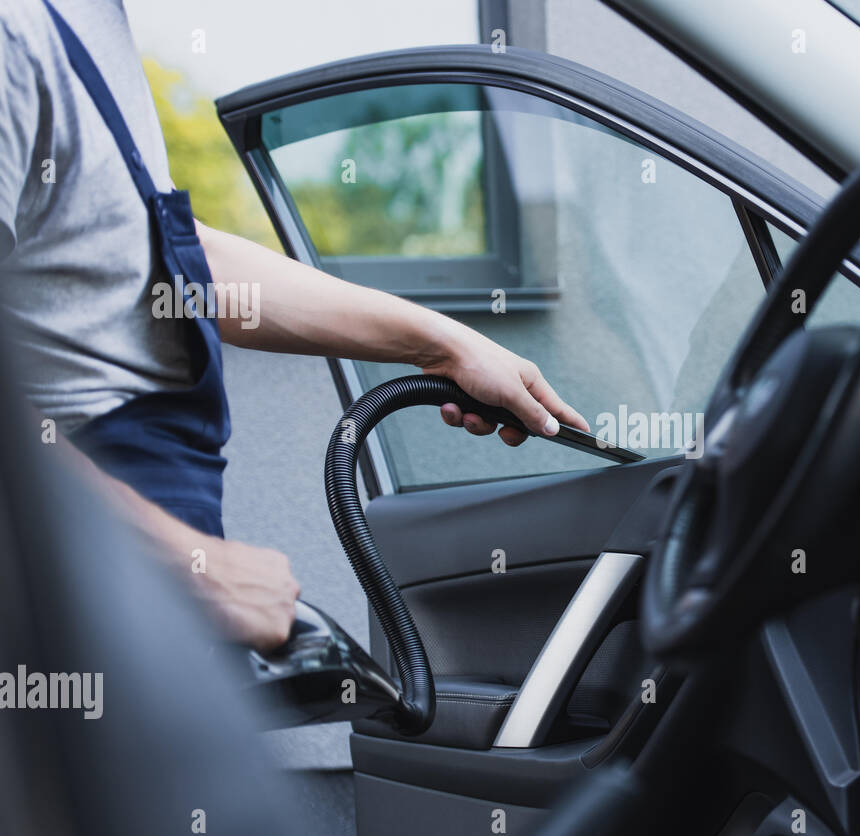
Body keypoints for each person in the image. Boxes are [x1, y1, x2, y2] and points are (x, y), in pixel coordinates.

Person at [0, 0, 589, 651]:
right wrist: (184, 566)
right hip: (67, 605)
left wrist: (446, 343)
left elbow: (172, 264)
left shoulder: (87, 23)